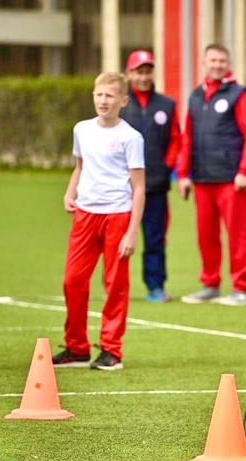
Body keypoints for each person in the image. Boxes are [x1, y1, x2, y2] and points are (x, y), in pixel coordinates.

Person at [52, 72, 145, 371]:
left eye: (110, 96)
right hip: (85, 215)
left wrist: (132, 232)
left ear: (123, 100)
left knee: (115, 284)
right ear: (93, 96)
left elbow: (139, 187)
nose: (103, 101)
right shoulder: (82, 130)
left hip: (118, 216)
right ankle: (77, 348)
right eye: (99, 95)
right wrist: (70, 192)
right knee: (72, 280)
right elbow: (80, 166)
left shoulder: (131, 137)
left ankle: (111, 351)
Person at [177, 43, 246, 306]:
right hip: (202, 179)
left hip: (231, 180)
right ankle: (210, 284)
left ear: (228, 64)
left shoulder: (239, 95)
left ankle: (240, 289)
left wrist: (244, 171)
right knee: (206, 235)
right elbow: (187, 138)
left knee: (237, 235)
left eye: (221, 61)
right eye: (212, 60)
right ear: (203, 63)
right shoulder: (194, 96)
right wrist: (183, 174)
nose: (217, 65)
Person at [120, 50, 181, 303]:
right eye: (138, 71)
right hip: (122, 187)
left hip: (155, 185)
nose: (143, 76)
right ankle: (117, 288)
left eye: (147, 71)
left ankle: (155, 287)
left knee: (155, 238)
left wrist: (165, 167)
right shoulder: (120, 105)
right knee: (118, 238)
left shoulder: (167, 105)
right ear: (129, 73)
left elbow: (177, 140)